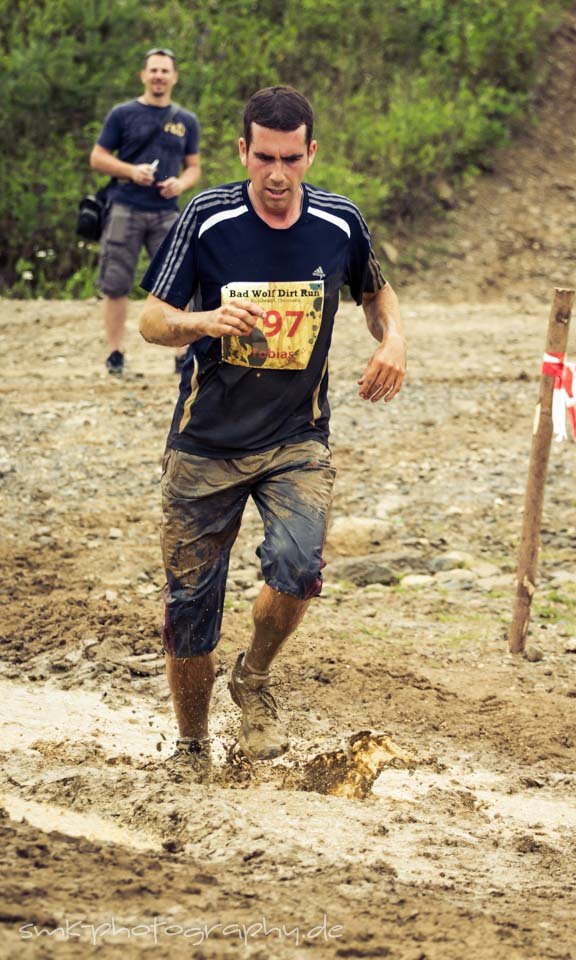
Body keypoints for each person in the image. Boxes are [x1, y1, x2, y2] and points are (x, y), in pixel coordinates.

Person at [139, 85, 407, 776]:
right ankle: (192, 745)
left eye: (292, 158)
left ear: (311, 152)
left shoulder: (339, 222)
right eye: (265, 158)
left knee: (297, 567)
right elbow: (150, 320)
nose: (279, 174)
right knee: (192, 604)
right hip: (205, 444)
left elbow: (375, 291)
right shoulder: (208, 216)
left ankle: (253, 676)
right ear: (243, 153)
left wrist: (394, 340)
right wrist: (201, 322)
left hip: (297, 438)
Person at [90, 47, 201, 375]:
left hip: (167, 212)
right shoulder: (122, 114)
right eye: (153, 70)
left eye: (165, 71)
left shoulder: (186, 121)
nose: (159, 76)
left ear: (174, 77)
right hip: (125, 207)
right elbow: (98, 157)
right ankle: (115, 353)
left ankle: (183, 354)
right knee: (116, 283)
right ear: (143, 75)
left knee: (180, 282)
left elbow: (193, 167)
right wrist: (130, 171)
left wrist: (180, 185)